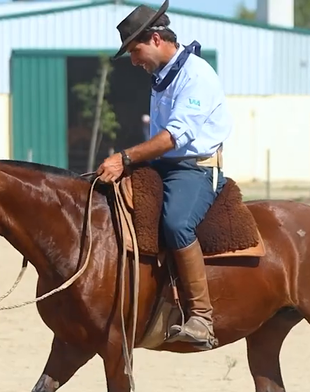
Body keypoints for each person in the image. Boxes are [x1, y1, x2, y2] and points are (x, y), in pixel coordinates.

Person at [96, 0, 232, 350]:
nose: (134, 60)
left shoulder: (196, 75)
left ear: (156, 39)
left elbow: (174, 137)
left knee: (175, 224)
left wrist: (124, 158)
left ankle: (201, 316)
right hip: (164, 166)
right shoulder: (162, 76)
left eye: (135, 49)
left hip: (196, 169)